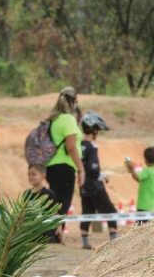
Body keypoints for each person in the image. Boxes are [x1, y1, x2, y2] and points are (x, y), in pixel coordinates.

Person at [45, 86, 86, 241]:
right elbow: (71, 147)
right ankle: (54, 237)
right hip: (65, 167)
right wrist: (81, 169)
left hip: (51, 166)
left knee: (55, 203)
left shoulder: (53, 119)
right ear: (74, 101)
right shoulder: (68, 119)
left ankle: (53, 235)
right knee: (62, 204)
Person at [79, 110, 117, 248]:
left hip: (83, 185)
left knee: (87, 212)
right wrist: (103, 176)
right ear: (93, 130)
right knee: (111, 211)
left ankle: (85, 242)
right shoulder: (91, 147)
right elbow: (93, 168)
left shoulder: (79, 145)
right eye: (97, 130)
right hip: (95, 186)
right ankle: (114, 241)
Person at [23, 164, 60, 243]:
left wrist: (59, 227)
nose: (30, 176)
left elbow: (55, 213)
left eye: (34, 174)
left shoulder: (49, 194)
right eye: (29, 174)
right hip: (30, 234)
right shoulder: (26, 194)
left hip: (46, 234)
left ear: (43, 176)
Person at [126, 146, 154, 224]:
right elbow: (139, 179)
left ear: (146, 160)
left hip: (144, 206)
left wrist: (132, 169)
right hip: (152, 207)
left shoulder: (147, 171)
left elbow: (137, 177)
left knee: (140, 231)